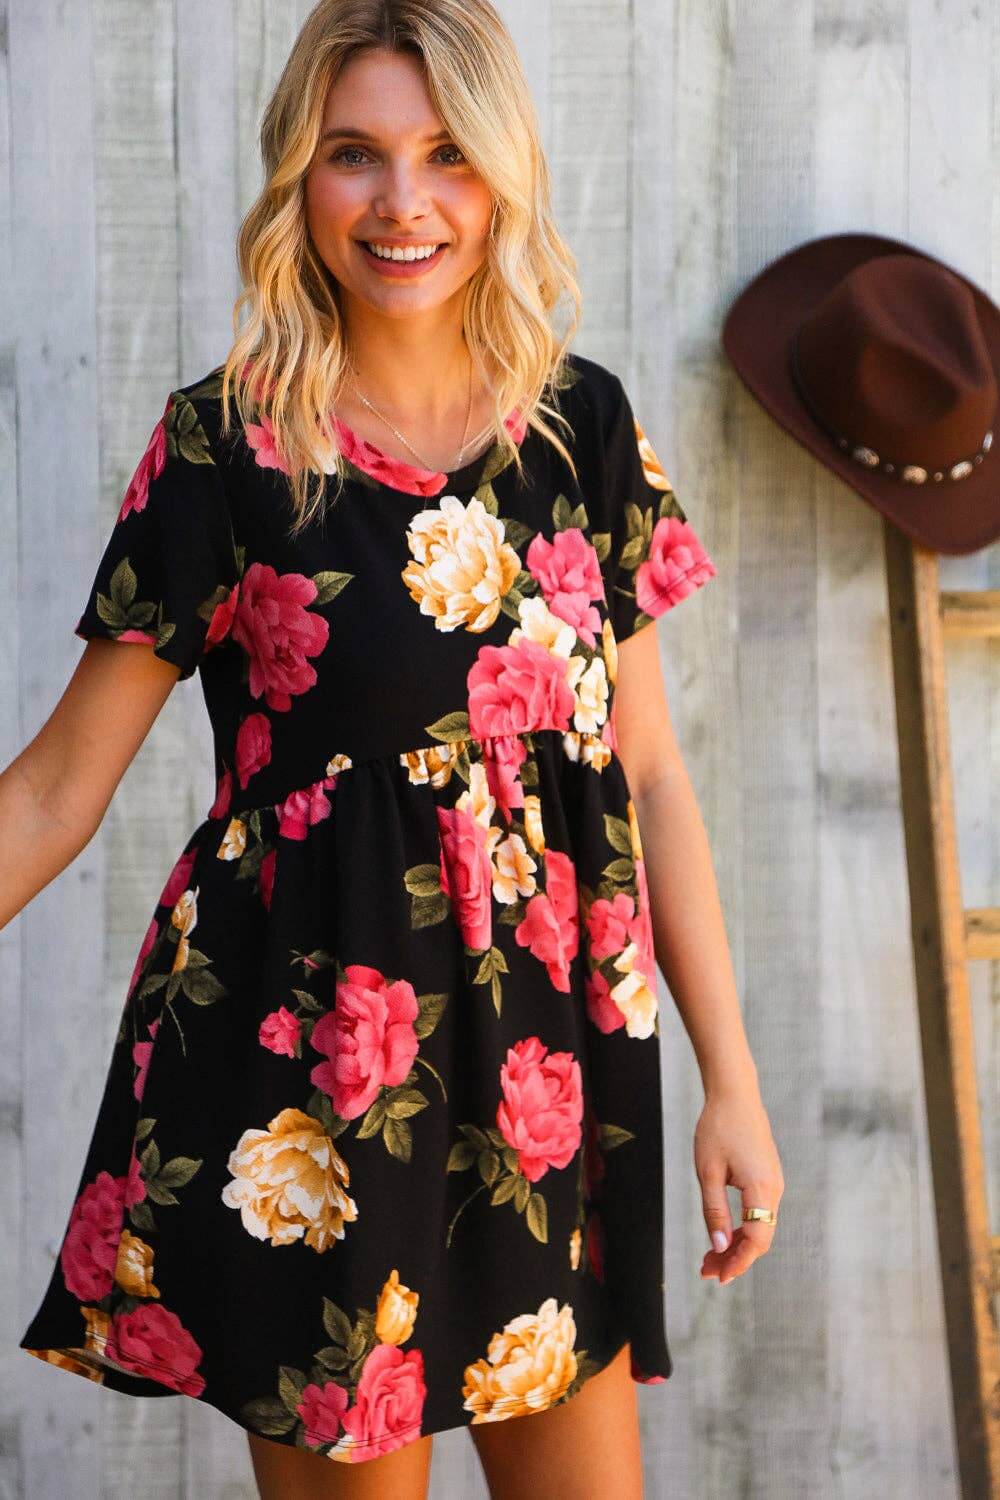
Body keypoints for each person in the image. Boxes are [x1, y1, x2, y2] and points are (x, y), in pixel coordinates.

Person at [9, 2, 784, 1496]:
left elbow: (650, 775)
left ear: (502, 174)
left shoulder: (583, 430)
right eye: (354, 153)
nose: (403, 201)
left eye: (446, 155)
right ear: (298, 176)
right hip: (318, 1100)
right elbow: (52, 791)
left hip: (552, 1089)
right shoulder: (226, 448)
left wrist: (731, 1080)